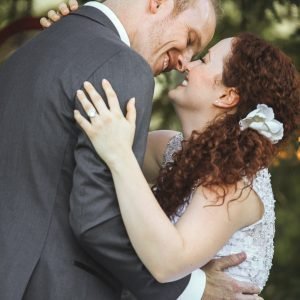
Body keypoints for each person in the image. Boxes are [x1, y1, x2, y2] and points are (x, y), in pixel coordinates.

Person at [0, 0, 260, 299]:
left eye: (198, 55)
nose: (184, 62)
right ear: (158, 3)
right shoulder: (123, 65)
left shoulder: (30, 51)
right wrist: (194, 289)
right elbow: (96, 219)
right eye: (189, 40)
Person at [72, 33, 300, 297]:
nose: (188, 65)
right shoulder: (173, 150)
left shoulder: (231, 183)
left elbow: (166, 263)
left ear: (227, 96)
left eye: (204, 61)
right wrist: (77, 38)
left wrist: (120, 154)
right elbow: (93, 145)